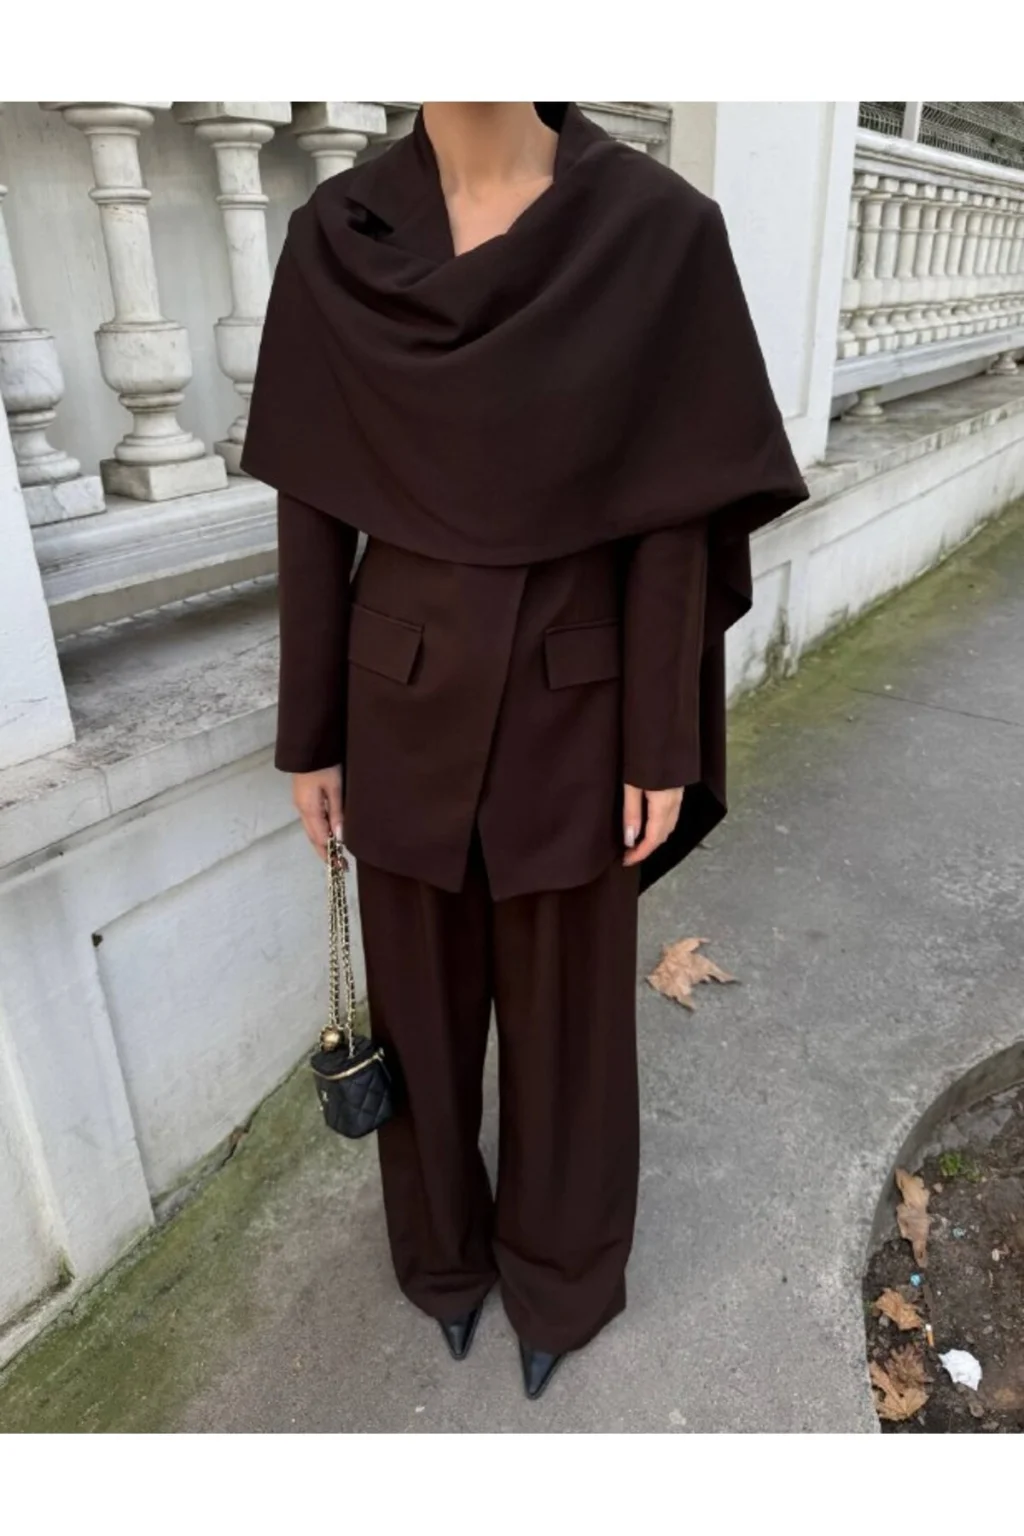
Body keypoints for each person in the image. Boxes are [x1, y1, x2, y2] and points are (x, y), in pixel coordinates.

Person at [242, 101, 808, 1400]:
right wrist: (309, 735)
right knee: (420, 1018)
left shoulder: (657, 232)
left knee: (571, 1034)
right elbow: (314, 505)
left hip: (582, 704)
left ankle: (564, 1275)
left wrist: (661, 738)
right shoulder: (338, 237)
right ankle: (441, 1260)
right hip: (396, 700)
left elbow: (675, 514)